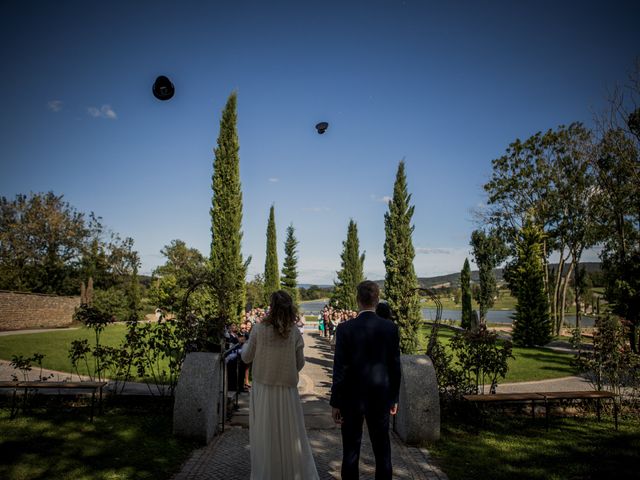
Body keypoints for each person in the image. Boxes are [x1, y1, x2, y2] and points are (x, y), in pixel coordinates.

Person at [241, 290, 319, 480]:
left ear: (272, 307)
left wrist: (245, 344)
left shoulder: (259, 329)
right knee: (290, 434)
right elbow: (300, 363)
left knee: (265, 433)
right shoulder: (294, 332)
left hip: (263, 388)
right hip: (287, 389)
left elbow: (246, 356)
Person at [330, 281, 401, 480]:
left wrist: (335, 402)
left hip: (351, 399)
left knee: (351, 451)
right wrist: (394, 397)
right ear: (377, 300)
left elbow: (340, 369)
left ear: (357, 300)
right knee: (382, 451)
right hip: (380, 397)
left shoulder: (345, 328)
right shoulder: (390, 328)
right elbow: (395, 367)